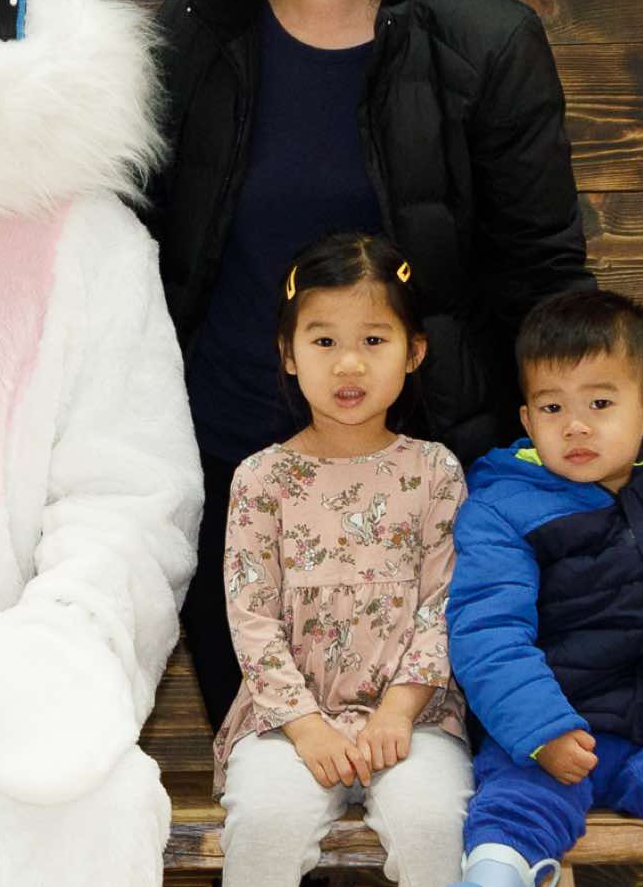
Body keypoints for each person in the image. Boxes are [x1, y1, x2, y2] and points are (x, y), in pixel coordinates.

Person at [146, 0, 593, 725]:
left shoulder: (487, 45)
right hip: (240, 497)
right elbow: (130, 267)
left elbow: (543, 277)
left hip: (431, 494)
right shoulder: (184, 46)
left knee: (426, 781)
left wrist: (587, 458)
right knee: (272, 776)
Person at [445, 290, 643, 887]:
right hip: (551, 734)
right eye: (552, 407)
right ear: (527, 421)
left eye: (599, 402)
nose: (575, 425)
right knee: (510, 820)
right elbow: (487, 633)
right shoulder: (502, 508)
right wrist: (541, 731)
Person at [215, 232, 472, 887]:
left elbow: (444, 604)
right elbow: (251, 617)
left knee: (433, 823)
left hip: (415, 718)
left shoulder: (435, 471)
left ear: (414, 351)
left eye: (374, 340)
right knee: (264, 821)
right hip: (285, 723)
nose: (349, 364)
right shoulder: (261, 478)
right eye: (324, 341)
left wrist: (398, 711)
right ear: (289, 354)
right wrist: (305, 727)